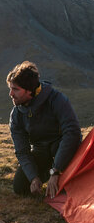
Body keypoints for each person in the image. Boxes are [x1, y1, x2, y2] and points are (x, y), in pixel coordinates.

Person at [7, 61, 82, 199]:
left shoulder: (57, 99)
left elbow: (72, 133)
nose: (11, 94)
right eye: (10, 88)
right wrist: (33, 178)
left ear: (29, 90)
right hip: (41, 151)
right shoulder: (16, 114)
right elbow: (22, 151)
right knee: (20, 187)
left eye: (15, 89)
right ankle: (45, 177)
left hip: (63, 148)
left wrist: (56, 171)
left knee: (68, 187)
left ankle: (65, 175)